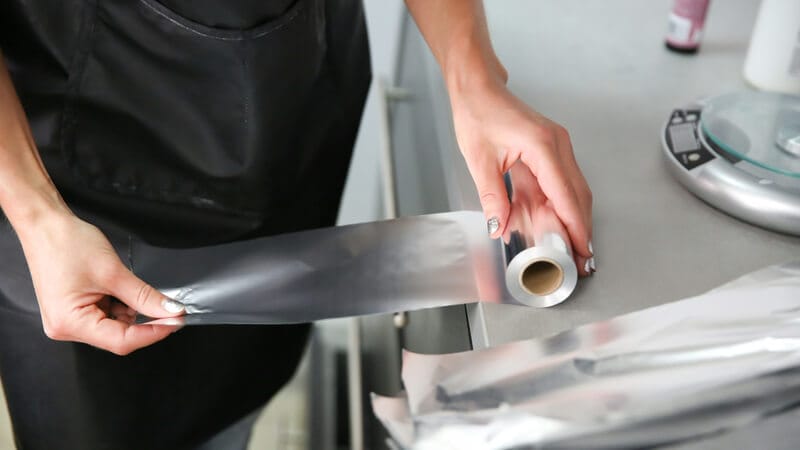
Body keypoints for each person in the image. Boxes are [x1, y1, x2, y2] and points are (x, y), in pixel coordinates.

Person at [0, 0, 593, 448]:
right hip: (71, 191)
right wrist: (36, 214)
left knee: (232, 407)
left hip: (285, 100)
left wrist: (475, 81)